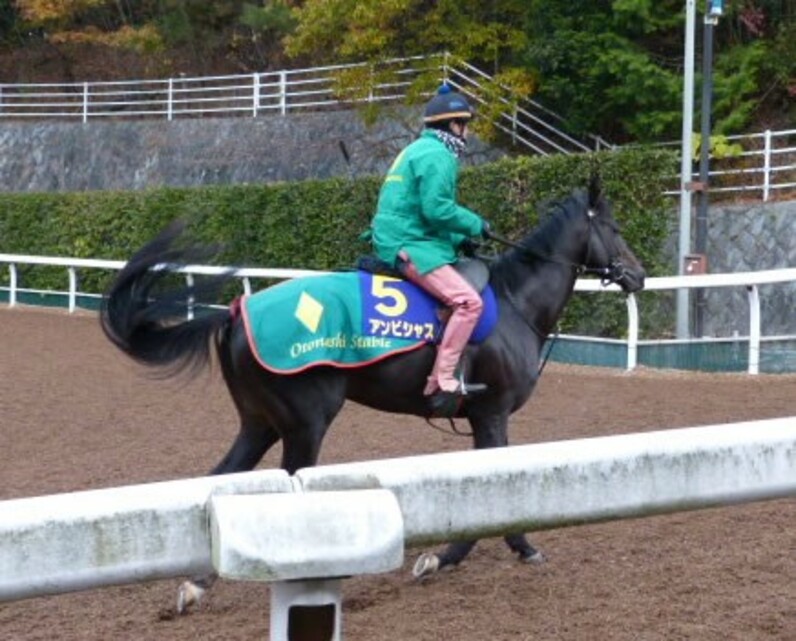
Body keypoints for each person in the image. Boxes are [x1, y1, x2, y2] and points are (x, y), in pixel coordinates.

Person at [369, 83, 492, 412]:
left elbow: (422, 212)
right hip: (409, 243)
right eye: (464, 125)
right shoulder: (439, 155)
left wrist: (458, 239)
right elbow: (437, 209)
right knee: (468, 303)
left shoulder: (415, 150)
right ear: (453, 125)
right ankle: (443, 379)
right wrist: (475, 224)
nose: (466, 133)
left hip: (404, 234)